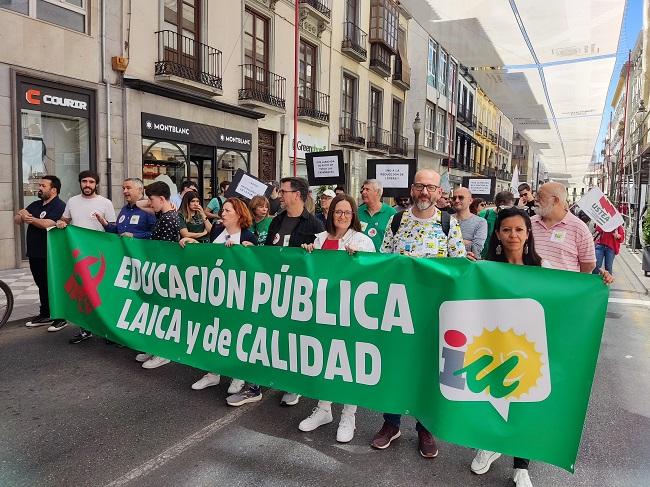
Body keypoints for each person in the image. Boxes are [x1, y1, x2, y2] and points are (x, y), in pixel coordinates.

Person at [471, 207, 613, 487]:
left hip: (529, 346)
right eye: (507, 230)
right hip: (491, 345)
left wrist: (598, 281)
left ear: (528, 234)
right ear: (497, 234)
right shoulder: (482, 269)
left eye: (519, 230)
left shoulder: (543, 269)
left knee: (525, 403)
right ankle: (489, 444)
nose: (513, 235)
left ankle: (521, 465)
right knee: (491, 398)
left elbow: (568, 293)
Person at [373, 169, 466, 458]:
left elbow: (459, 269)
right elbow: (383, 260)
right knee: (396, 366)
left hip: (433, 313)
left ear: (440, 193)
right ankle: (391, 423)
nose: (424, 192)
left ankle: (425, 428)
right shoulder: (396, 220)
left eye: (430, 187)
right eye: (420, 186)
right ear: (412, 189)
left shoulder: (449, 224)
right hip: (398, 309)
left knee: (428, 370)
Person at [226, 177, 324, 408]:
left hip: (300, 294)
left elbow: (321, 263)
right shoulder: (277, 220)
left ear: (297, 195)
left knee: (293, 340)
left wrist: (312, 252)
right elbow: (268, 253)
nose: (279, 194)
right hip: (274, 289)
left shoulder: (314, 225)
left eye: (284, 191)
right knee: (264, 337)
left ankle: (293, 385)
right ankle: (255, 387)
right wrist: (253, 251)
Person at [298, 194, 375, 443]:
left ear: (354, 216)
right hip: (323, 311)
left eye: (347, 212)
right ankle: (323, 409)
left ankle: (348, 415)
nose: (342, 216)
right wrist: (308, 253)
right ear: (330, 214)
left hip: (351, 313)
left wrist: (360, 260)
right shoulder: (320, 239)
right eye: (337, 212)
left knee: (348, 362)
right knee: (324, 359)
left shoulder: (362, 241)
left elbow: (375, 273)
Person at [180, 197, 257, 394]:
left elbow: (257, 266)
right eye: (222, 210)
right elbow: (207, 252)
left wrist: (248, 251)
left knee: (236, 335)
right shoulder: (216, 231)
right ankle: (212, 373)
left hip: (238, 295)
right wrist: (191, 242)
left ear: (239, 215)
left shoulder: (248, 235)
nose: (222, 213)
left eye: (227, 210)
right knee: (214, 333)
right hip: (215, 293)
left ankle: (238, 376)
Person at [56, 170, 116, 342]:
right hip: (79, 256)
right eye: (84, 181)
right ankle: (85, 329)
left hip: (98, 256)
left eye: (91, 182)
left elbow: (112, 228)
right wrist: (61, 222)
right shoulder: (72, 201)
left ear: (96, 184)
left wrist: (103, 223)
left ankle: (108, 330)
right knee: (82, 294)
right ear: (80, 183)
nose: (87, 185)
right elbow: (65, 220)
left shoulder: (105, 203)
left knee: (101, 293)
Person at [134, 181, 181, 369]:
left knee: (163, 312)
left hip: (164, 271)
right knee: (156, 311)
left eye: (152, 199)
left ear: (162, 198)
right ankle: (156, 348)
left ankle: (164, 352)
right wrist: (159, 202)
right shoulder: (165, 213)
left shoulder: (169, 218)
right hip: (158, 269)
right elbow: (138, 204)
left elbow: (166, 251)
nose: (149, 203)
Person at [15, 175, 67, 330]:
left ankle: (60, 317)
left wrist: (29, 218)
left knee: (53, 284)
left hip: (51, 253)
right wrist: (21, 215)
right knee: (41, 285)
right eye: (40, 185)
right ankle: (45, 314)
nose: (39, 188)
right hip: (35, 252)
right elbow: (17, 220)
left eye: (43, 186)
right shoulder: (35, 204)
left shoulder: (59, 205)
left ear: (53, 189)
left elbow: (48, 224)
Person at [531, 182, 596, 273]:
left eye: (540, 196)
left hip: (563, 286)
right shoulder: (530, 223)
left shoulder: (579, 228)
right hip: (532, 285)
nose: (535, 199)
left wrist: (569, 282)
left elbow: (589, 265)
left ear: (555, 200)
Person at [358, 179, 396, 251]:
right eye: (363, 189)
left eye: (367, 189)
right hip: (362, 258)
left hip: (382, 259)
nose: (363, 192)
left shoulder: (391, 213)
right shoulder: (358, 211)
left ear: (377, 192)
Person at [479, 190, 516, 259]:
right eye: (509, 206)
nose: (511, 209)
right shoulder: (484, 214)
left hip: (505, 257)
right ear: (501, 204)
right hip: (484, 256)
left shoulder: (514, 217)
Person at [452, 187, 488, 256]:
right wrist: (467, 242)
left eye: (461, 197)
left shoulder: (481, 222)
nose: (456, 200)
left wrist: (452, 241)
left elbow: (477, 248)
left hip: (469, 263)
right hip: (447, 263)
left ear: (470, 200)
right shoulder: (446, 219)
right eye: (454, 198)